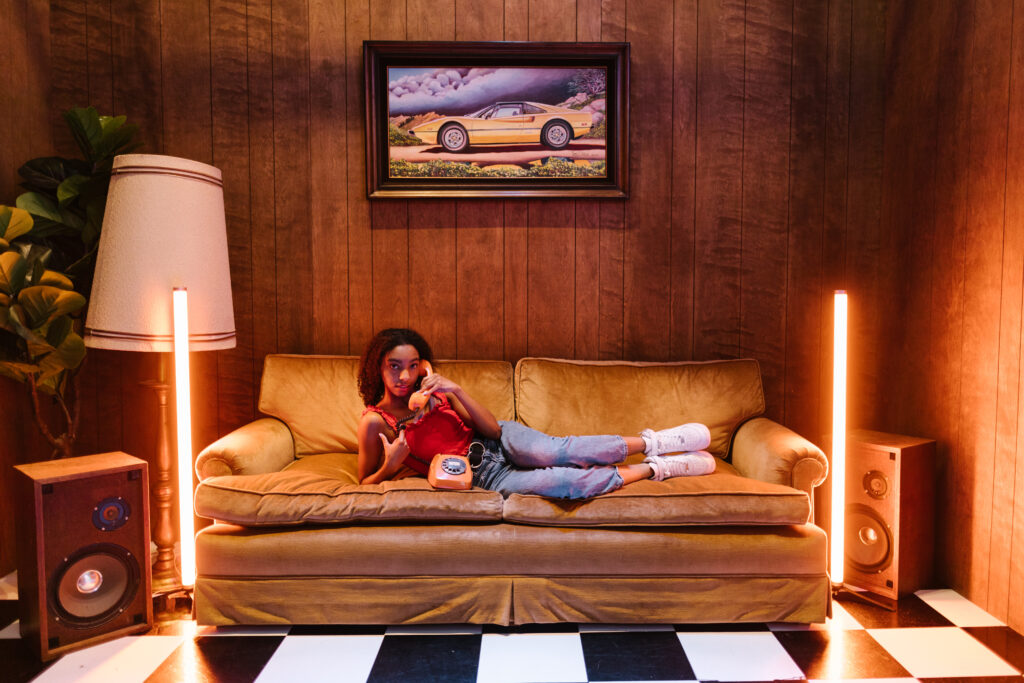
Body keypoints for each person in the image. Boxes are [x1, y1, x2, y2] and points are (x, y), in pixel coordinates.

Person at [357, 328, 716, 499]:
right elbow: (361, 485)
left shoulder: (435, 394)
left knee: (556, 452)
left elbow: (492, 431)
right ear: (378, 368)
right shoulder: (376, 422)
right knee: (561, 483)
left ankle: (655, 441)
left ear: (423, 366)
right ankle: (658, 468)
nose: (404, 376)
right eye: (394, 366)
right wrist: (391, 465)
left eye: (412, 365)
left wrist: (456, 391)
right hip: (483, 478)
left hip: (500, 441)